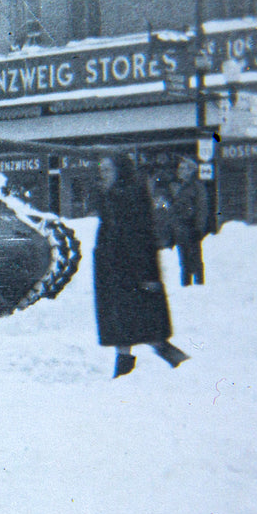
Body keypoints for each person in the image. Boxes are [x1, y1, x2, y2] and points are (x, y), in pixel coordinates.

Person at [93, 154, 189, 378]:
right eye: (102, 170)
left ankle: (179, 362)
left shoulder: (131, 195)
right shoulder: (110, 195)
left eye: (107, 169)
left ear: (120, 171)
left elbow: (142, 236)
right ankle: (124, 370)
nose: (103, 173)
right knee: (124, 327)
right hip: (114, 271)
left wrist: (148, 274)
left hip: (132, 270)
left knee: (143, 327)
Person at [166, 157, 209, 286]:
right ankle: (186, 285)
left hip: (191, 227)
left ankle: (199, 284)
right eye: (180, 168)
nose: (180, 171)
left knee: (195, 260)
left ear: (191, 171)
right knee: (184, 261)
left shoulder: (196, 187)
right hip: (179, 228)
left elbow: (202, 208)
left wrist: (199, 228)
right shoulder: (176, 186)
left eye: (184, 169)